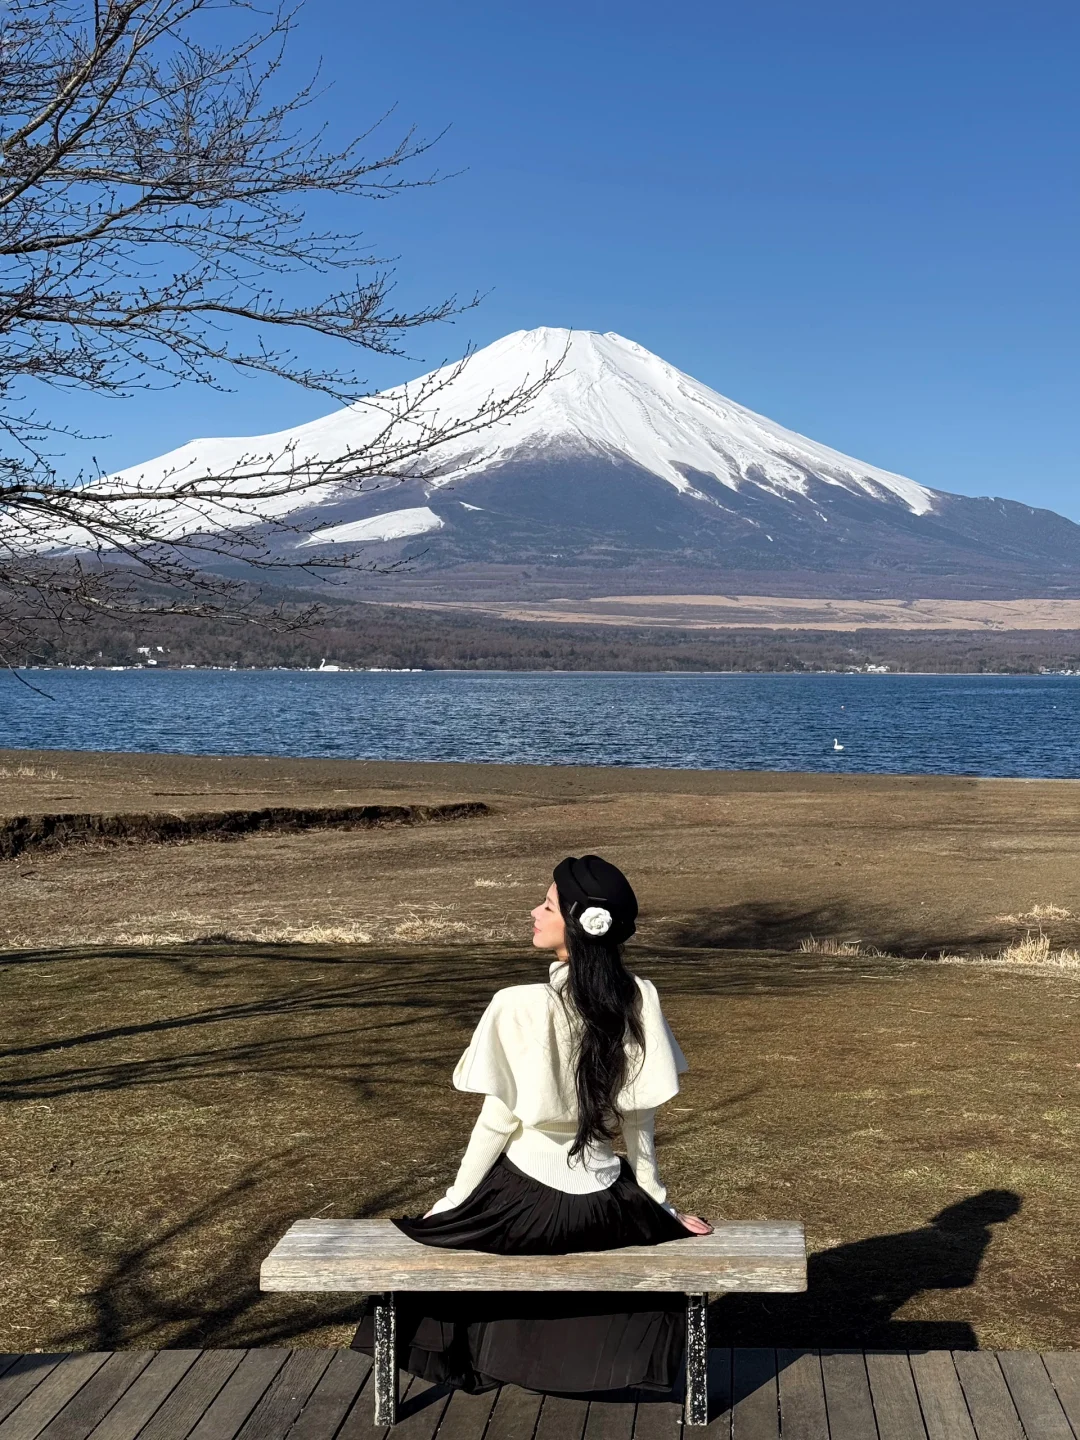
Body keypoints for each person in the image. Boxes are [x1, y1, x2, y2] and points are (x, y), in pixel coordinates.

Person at [352, 854, 711, 1396]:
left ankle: (482, 1361)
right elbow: (641, 1121)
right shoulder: (638, 998)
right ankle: (613, 1362)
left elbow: (495, 1123)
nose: (534, 913)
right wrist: (658, 1207)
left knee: (438, 1244)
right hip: (606, 1207)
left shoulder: (516, 1005)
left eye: (547, 905)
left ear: (578, 924)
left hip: (525, 1204)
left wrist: (452, 1204)